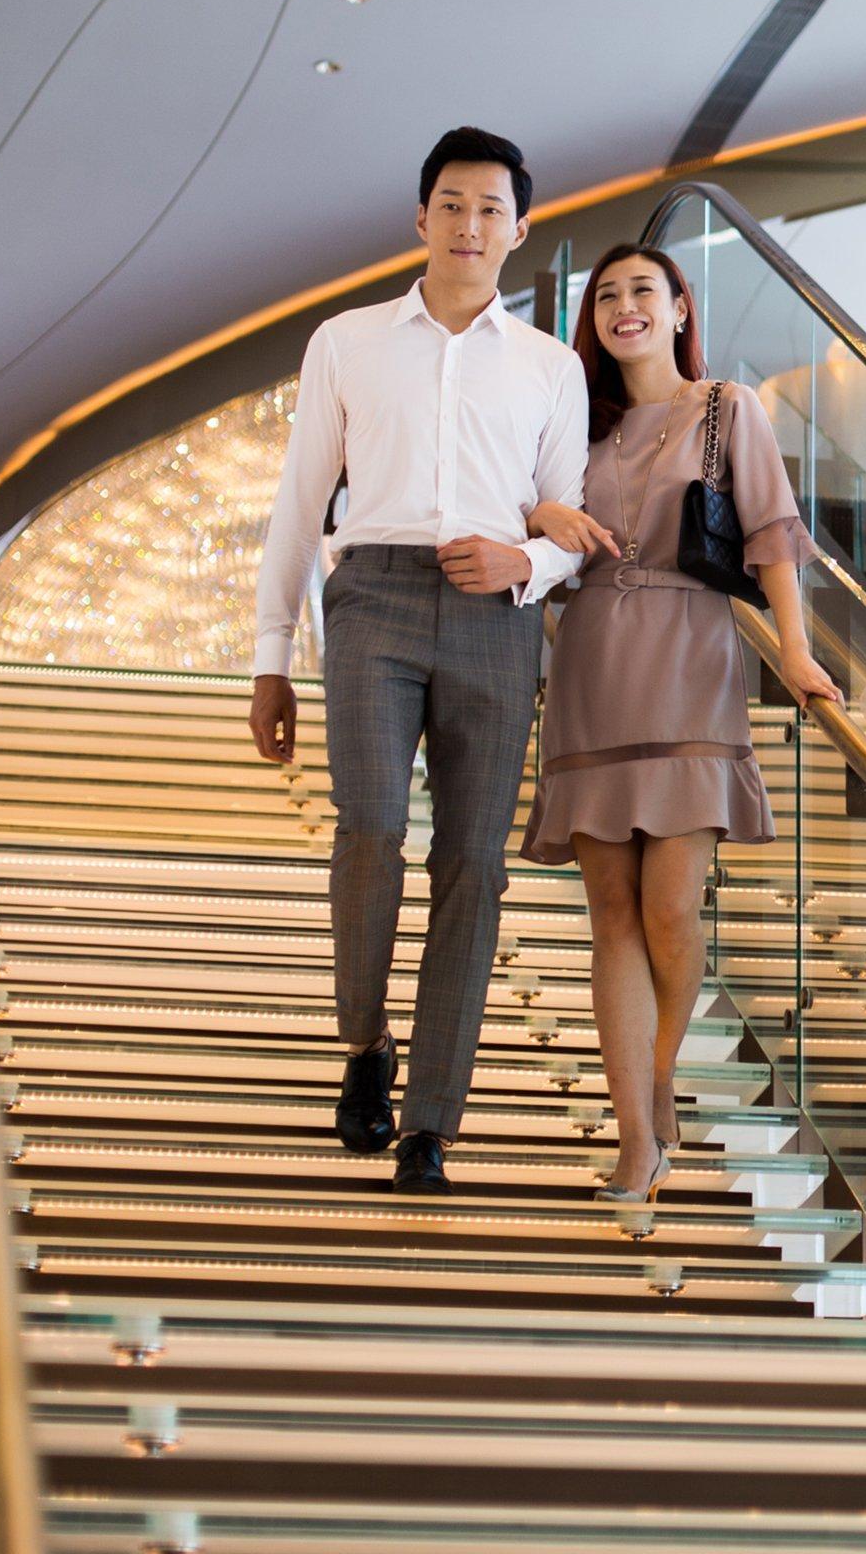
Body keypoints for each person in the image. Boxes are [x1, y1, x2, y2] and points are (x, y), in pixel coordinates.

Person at [250, 128, 590, 1195]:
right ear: (420, 216)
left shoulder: (550, 365)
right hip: (376, 600)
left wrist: (521, 560)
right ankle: (364, 1049)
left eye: (492, 209)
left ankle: (433, 1118)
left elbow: (568, 527)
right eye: (452, 204)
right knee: (371, 833)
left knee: (473, 867)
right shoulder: (347, 341)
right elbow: (302, 503)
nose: (470, 225)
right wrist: (269, 657)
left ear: (519, 232)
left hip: (495, 614)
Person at [523, 243, 837, 1199]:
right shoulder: (572, 425)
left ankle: (661, 1080)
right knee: (610, 912)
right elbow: (524, 527)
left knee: (670, 908)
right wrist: (542, 512)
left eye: (642, 293)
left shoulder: (726, 408)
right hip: (589, 666)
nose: (625, 308)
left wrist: (793, 646)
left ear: (679, 308)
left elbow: (773, 536)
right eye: (607, 296)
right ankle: (634, 1132)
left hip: (692, 661)